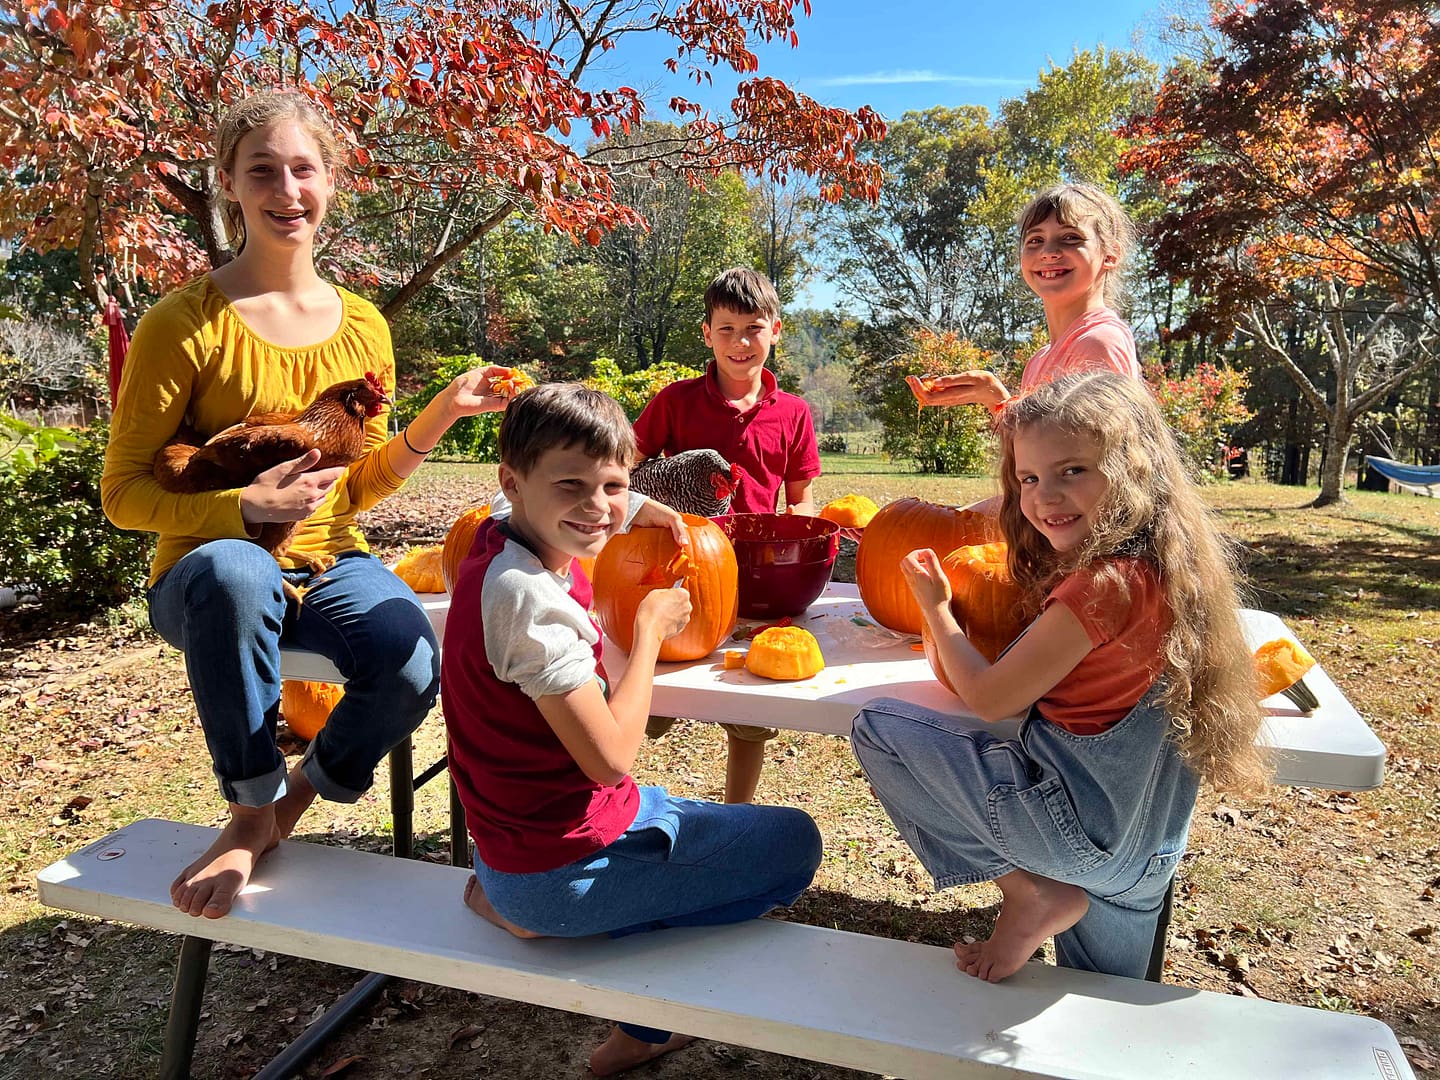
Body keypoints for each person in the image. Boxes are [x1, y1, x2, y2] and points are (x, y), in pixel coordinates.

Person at [101, 90, 515, 920]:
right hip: (206, 579)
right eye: (263, 171)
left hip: (328, 561)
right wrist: (241, 509)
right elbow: (122, 494)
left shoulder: (364, 328)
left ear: (331, 181)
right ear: (228, 183)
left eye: (303, 168)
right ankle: (250, 807)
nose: (287, 190)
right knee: (239, 572)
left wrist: (440, 415)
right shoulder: (181, 325)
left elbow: (355, 487)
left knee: (409, 659)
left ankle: (291, 803)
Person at [442, 383, 822, 1077]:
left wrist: (640, 503)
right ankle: (606, 982)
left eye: (610, 486)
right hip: (558, 872)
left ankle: (604, 980)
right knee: (796, 844)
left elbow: (586, 499)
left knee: (684, 815)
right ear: (514, 480)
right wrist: (648, 633)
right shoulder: (528, 603)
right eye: (572, 486)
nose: (596, 507)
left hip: (512, 840)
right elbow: (613, 760)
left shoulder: (498, 542)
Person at [851, 372, 1269, 984]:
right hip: (1149, 854)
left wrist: (936, 610)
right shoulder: (1175, 571)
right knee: (1102, 1008)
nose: (1045, 496)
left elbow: (991, 698)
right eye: (1029, 478)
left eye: (1073, 470)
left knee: (879, 729)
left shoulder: (1101, 587)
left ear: (1135, 471)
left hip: (1072, 835)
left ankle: (1028, 893)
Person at [632, 267, 821, 803]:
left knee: (748, 710)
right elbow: (624, 472)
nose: (740, 342)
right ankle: (613, 796)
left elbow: (800, 498)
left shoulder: (794, 413)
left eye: (753, 329)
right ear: (706, 333)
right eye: (727, 329)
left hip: (760, 577)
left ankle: (737, 814)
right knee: (654, 696)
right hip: (681, 566)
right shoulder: (674, 401)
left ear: (776, 330)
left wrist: (806, 544)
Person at [907, 182, 1142, 412]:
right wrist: (992, 397)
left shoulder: (1098, 344)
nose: (1048, 252)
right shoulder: (1039, 360)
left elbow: (1087, 449)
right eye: (1035, 240)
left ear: (1110, 255)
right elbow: (1040, 447)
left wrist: (998, 398)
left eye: (1071, 237)